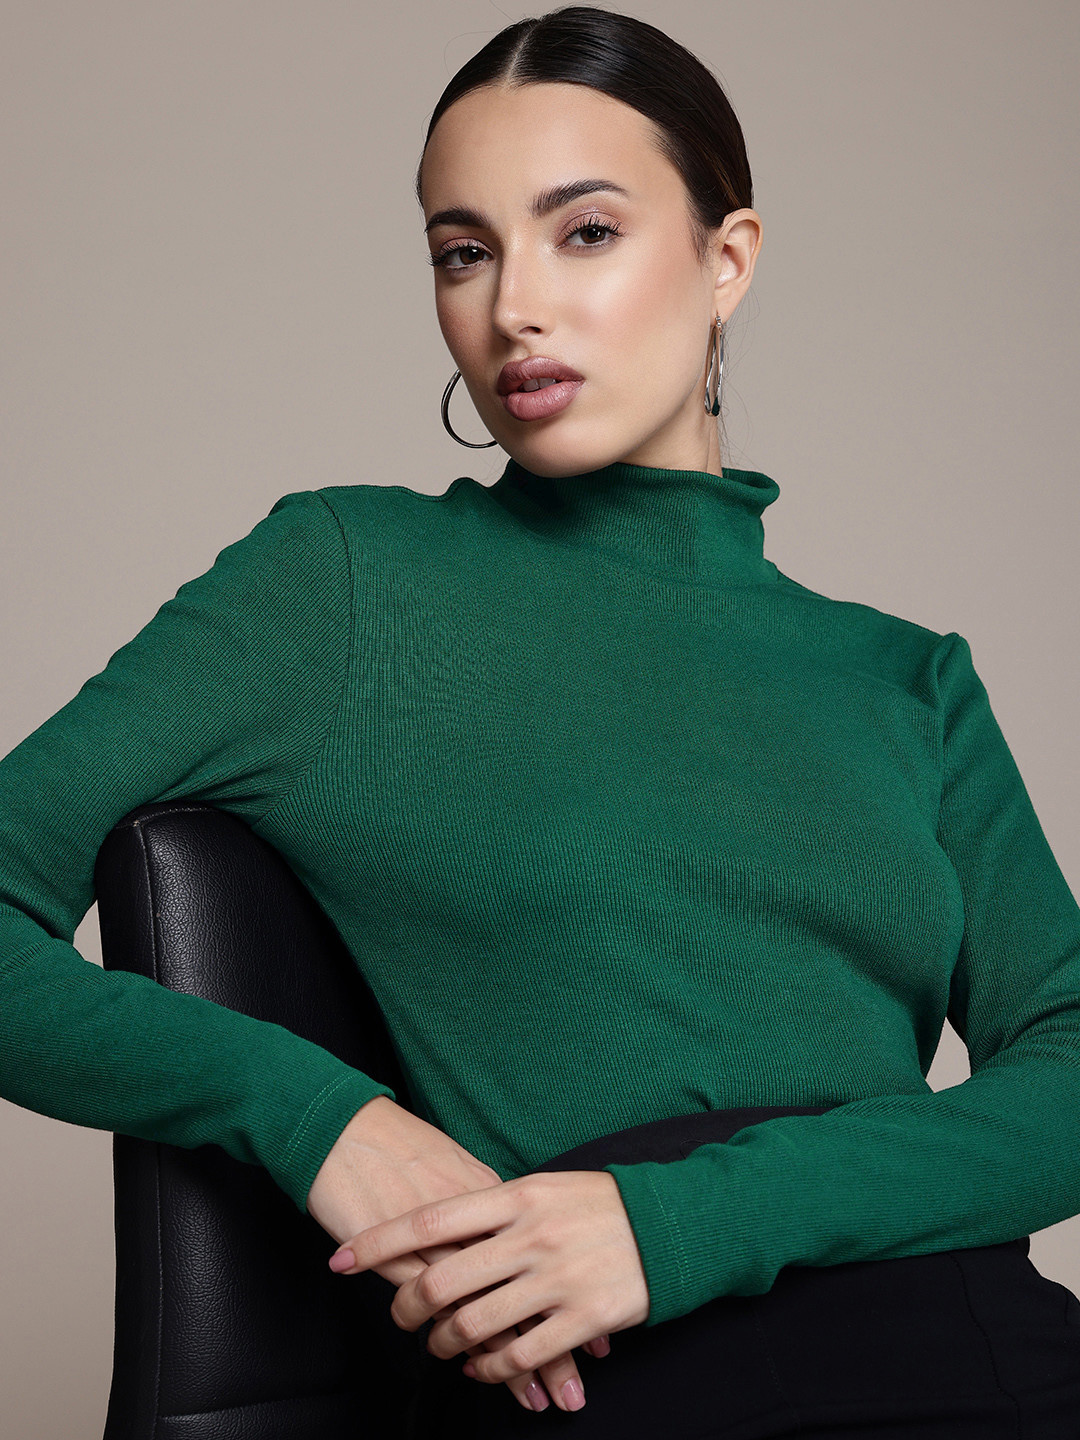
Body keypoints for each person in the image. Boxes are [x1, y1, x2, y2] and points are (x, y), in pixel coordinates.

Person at [2, 5, 1079, 1435]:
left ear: (727, 258)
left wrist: (689, 1221)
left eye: (586, 232)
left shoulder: (909, 680)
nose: (514, 305)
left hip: (977, 1337)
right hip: (626, 1381)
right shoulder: (348, 582)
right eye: (464, 251)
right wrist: (320, 1119)